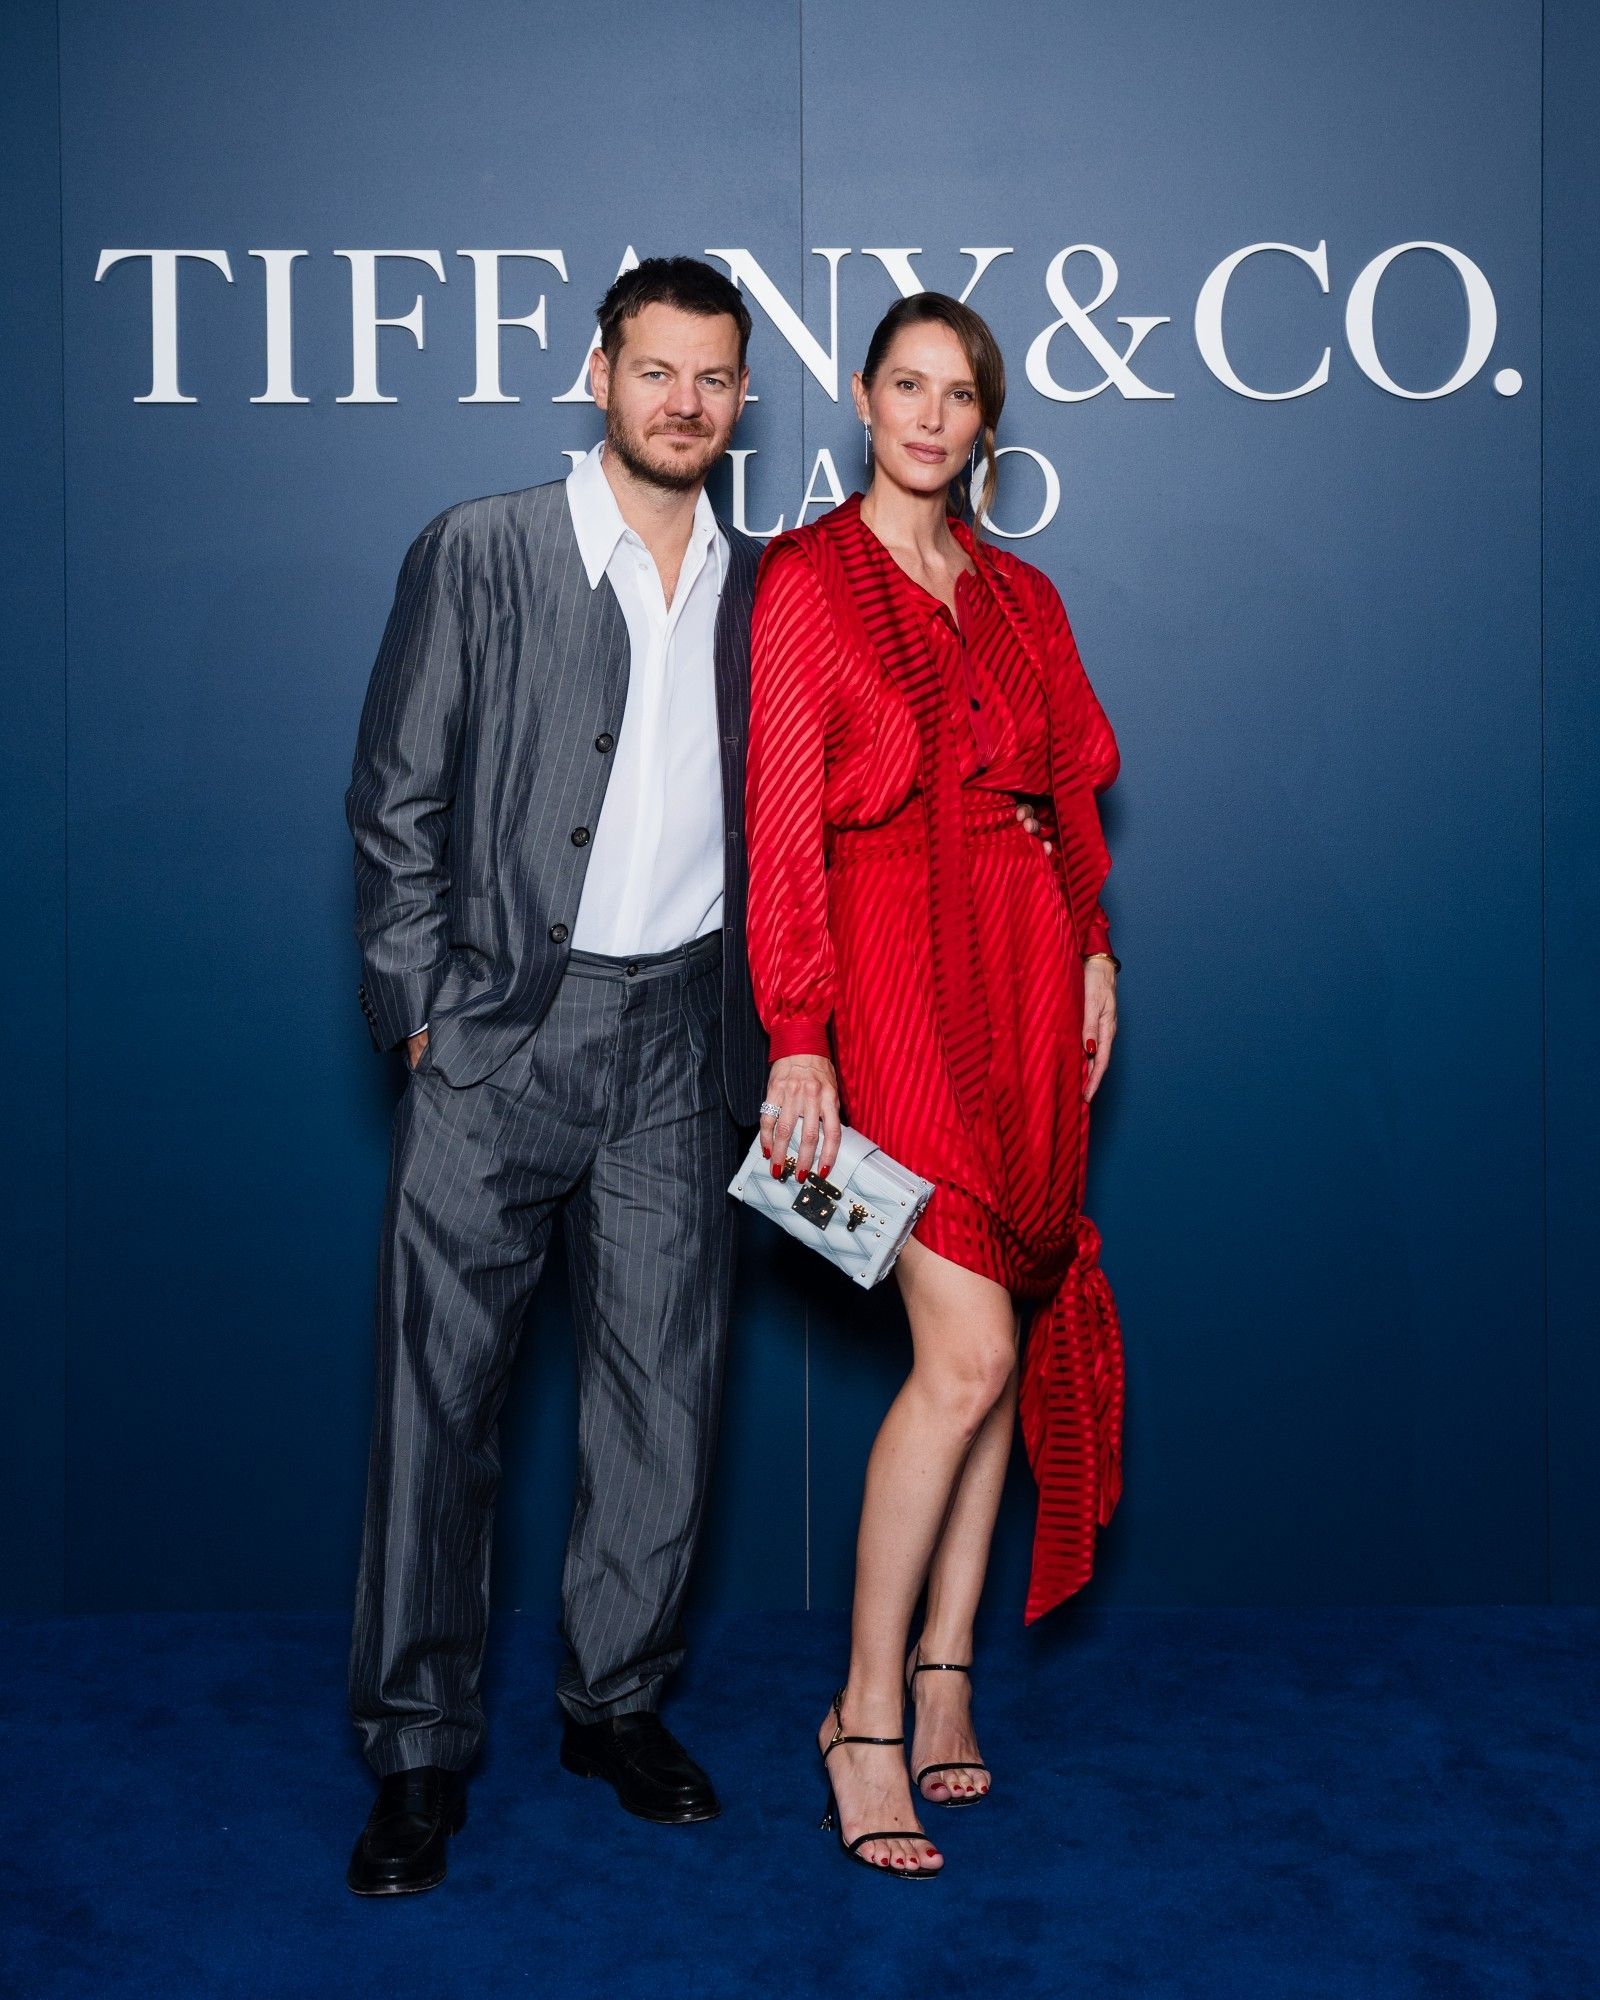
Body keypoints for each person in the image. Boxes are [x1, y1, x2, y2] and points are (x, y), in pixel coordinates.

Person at [342, 257, 767, 1896]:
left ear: (741, 399)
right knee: (437, 1403)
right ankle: (415, 1751)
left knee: (665, 1394)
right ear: (599, 374)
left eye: (712, 378)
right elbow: (396, 800)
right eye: (655, 370)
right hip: (501, 1027)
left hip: (682, 1034)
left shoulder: (764, 587)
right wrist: (424, 1017)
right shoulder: (484, 548)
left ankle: (617, 1706)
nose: (683, 402)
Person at [746, 292, 1125, 1879]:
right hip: (890, 977)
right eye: (906, 386)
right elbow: (782, 824)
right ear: (861, 397)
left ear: (985, 423)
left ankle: (949, 1666)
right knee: (963, 1358)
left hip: (1028, 972)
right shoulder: (807, 579)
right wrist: (800, 1032)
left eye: (958, 395)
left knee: (1008, 1326)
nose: (929, 417)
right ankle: (864, 1715)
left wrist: (1090, 945)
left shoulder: (1023, 594)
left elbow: (1067, 793)